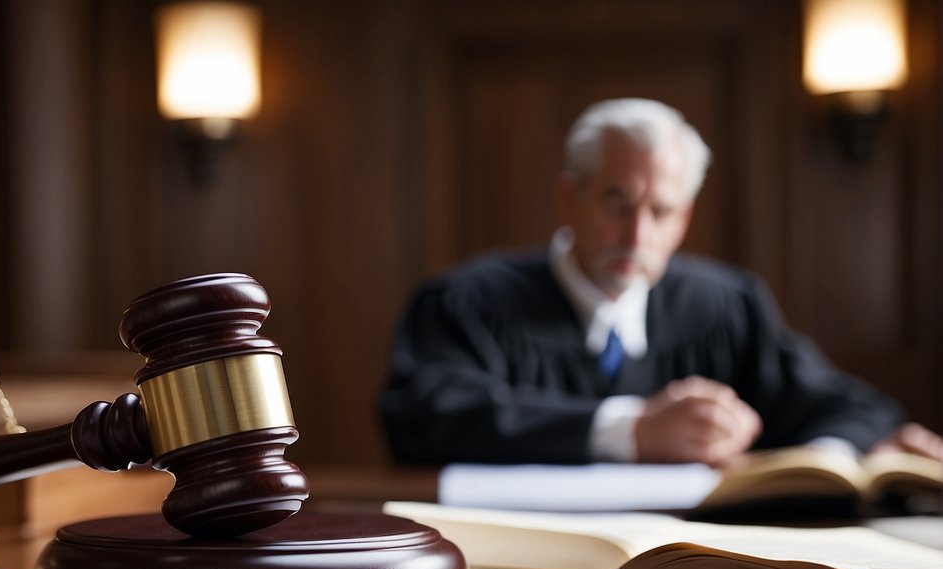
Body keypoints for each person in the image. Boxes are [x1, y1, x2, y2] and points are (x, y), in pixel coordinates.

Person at [380, 98, 943, 467]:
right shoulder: (468, 302)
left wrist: (826, 463)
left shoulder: (726, 306)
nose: (637, 234)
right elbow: (422, 419)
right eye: (617, 204)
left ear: (684, 222)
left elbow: (848, 404)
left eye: (661, 212)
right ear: (568, 199)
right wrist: (634, 431)